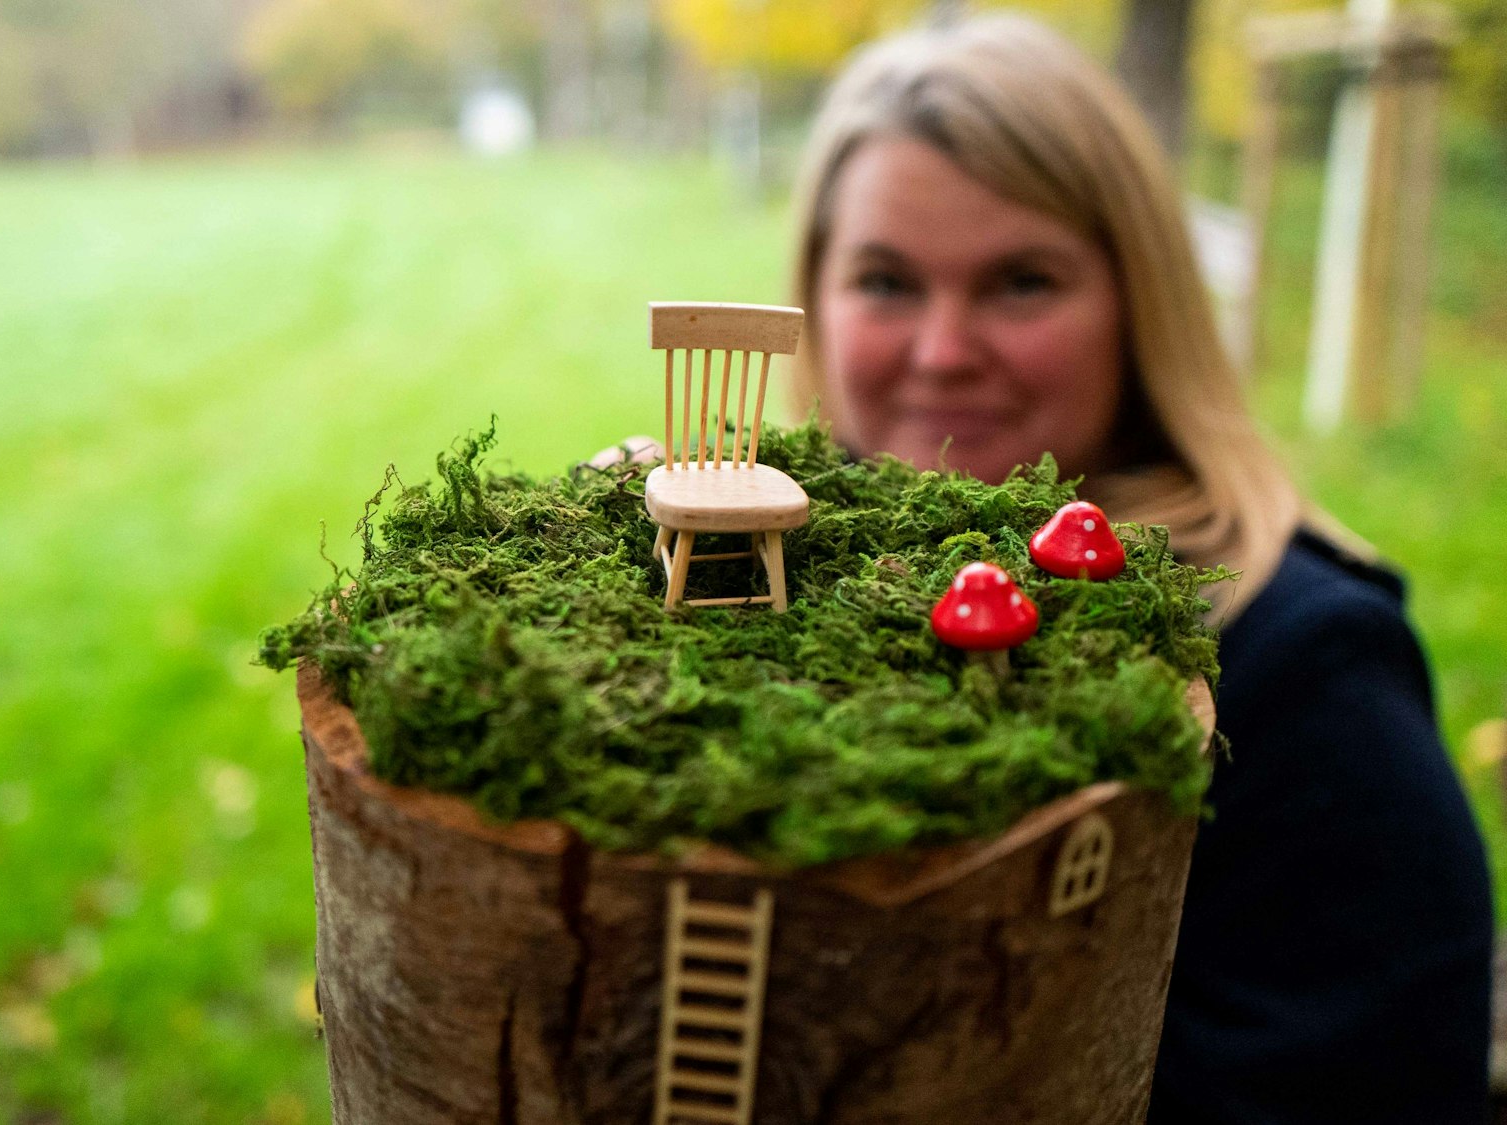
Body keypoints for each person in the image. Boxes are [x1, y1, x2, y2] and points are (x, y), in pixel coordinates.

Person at [598, 14, 1493, 1122]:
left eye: (1020, 281)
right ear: (815, 301)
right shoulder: (805, 580)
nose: (941, 351)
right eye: (884, 280)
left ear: (1137, 305)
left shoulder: (1302, 670)